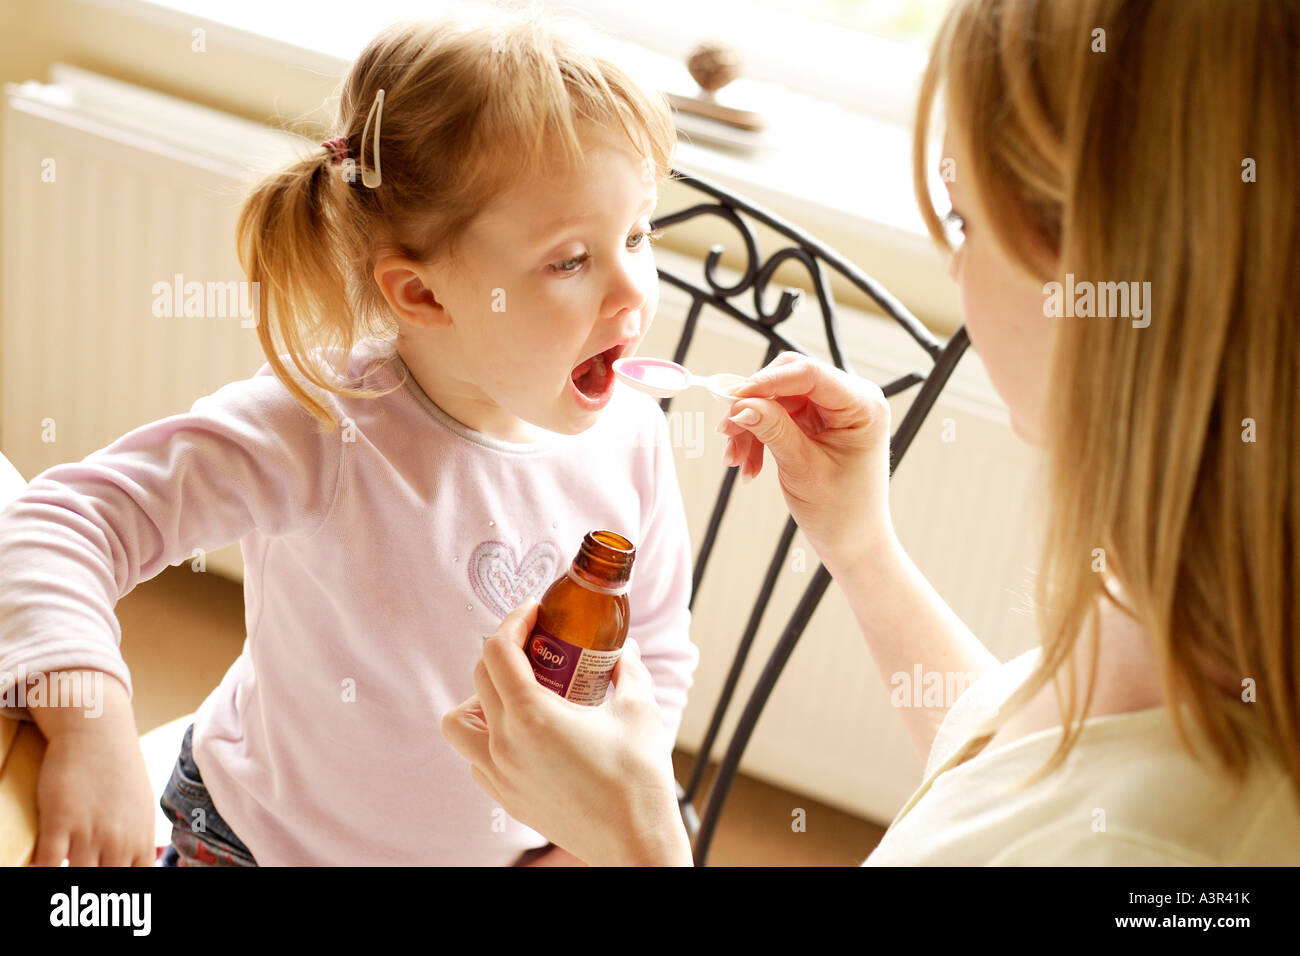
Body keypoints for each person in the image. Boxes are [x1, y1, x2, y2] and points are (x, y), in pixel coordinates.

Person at [442, 0, 1300, 865]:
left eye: (964, 221)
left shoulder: (1177, 862)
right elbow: (1005, 789)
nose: (954, 265)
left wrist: (639, 843)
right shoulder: (1184, 612)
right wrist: (861, 547)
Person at [0, 9, 700, 866]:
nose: (635, 291)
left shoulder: (632, 435)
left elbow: (655, 653)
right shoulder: (319, 426)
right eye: (569, 259)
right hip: (256, 846)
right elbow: (58, 523)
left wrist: (582, 834)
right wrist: (90, 720)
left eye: (638, 234)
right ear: (424, 296)